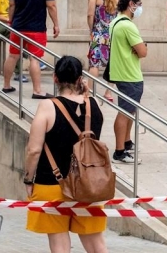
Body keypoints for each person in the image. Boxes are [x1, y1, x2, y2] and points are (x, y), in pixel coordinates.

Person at [22, 56, 107, 253]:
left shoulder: (47, 106)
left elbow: (34, 150)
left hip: (52, 184)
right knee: (96, 245)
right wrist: (86, 94)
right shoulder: (94, 106)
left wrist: (28, 180)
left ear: (54, 78)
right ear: (80, 79)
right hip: (88, 186)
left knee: (59, 244)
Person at [2, 0, 59, 98]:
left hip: (18, 27)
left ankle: (6, 85)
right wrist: (56, 24)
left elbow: (12, 4)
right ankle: (37, 91)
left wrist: (10, 21)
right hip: (37, 29)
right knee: (35, 59)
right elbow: (51, 6)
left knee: (12, 56)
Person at [107, 0, 147, 164]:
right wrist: (141, 47)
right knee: (125, 112)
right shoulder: (128, 26)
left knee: (130, 111)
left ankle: (126, 142)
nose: (139, 8)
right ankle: (119, 151)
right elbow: (143, 52)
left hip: (121, 72)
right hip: (130, 74)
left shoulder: (115, 22)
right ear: (131, 4)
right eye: (138, 4)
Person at [86, 0, 120, 102]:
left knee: (94, 64)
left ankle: (89, 91)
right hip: (113, 35)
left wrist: (92, 29)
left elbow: (90, 15)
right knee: (114, 64)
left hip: (98, 34)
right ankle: (108, 92)